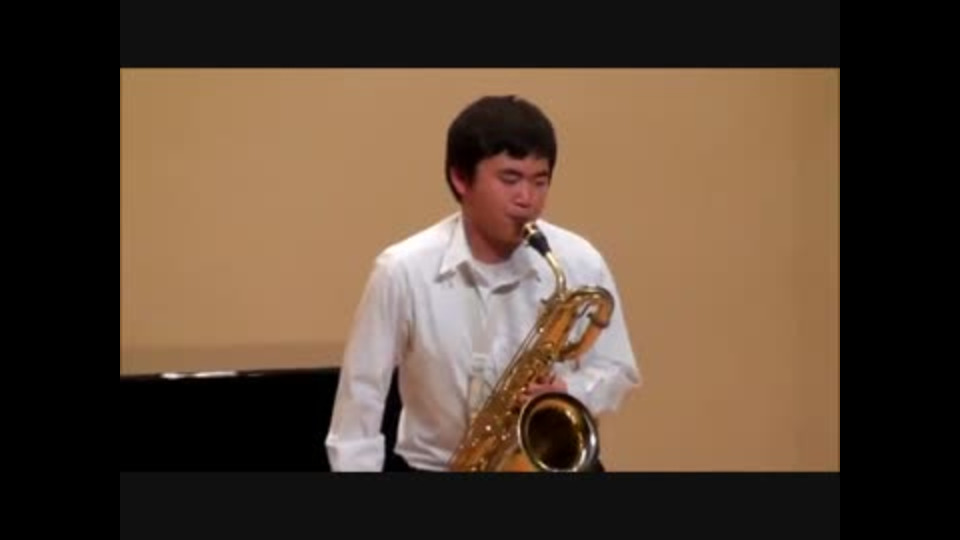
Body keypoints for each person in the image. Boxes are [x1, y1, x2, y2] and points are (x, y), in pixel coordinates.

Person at [324, 94, 641, 472]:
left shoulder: (578, 260)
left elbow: (618, 370)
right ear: (461, 179)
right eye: (510, 179)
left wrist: (570, 392)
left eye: (540, 181)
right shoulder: (402, 270)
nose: (527, 199)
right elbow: (360, 403)